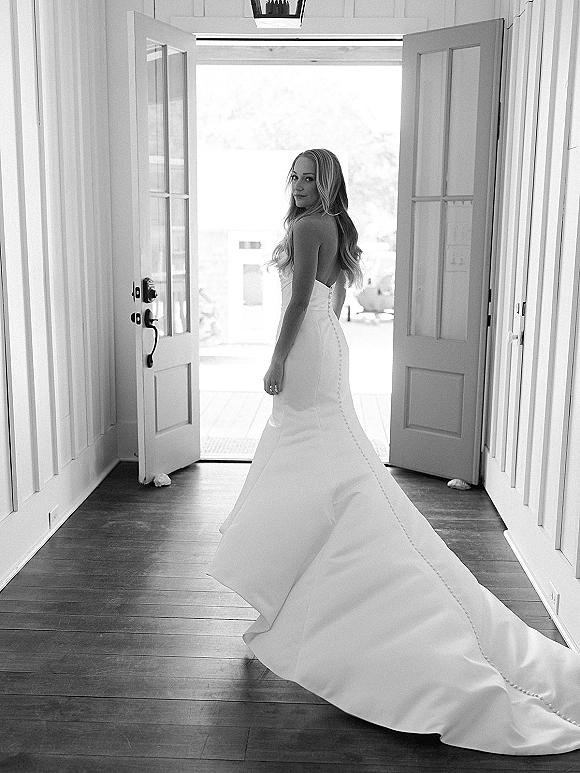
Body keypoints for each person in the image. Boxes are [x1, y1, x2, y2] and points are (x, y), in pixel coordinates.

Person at [207, 148, 580, 756]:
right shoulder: (333, 226)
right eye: (293, 177)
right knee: (323, 454)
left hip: (304, 346)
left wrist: (276, 359)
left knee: (312, 453)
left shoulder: (307, 227)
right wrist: (318, 341)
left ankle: (310, 566)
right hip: (325, 346)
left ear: (327, 184)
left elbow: (299, 302)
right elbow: (330, 301)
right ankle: (302, 560)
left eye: (309, 178)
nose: (298, 186)